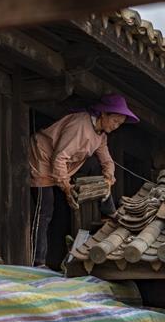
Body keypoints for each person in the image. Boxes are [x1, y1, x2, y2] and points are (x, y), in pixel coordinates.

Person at [28, 93, 139, 267]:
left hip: (61, 165)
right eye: (115, 121)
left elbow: (107, 161)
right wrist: (66, 187)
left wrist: (108, 180)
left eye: (119, 123)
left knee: (95, 165)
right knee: (45, 210)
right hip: (42, 159)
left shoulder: (101, 135)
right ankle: (37, 262)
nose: (116, 126)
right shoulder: (80, 125)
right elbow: (59, 158)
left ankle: (108, 209)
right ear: (103, 114)